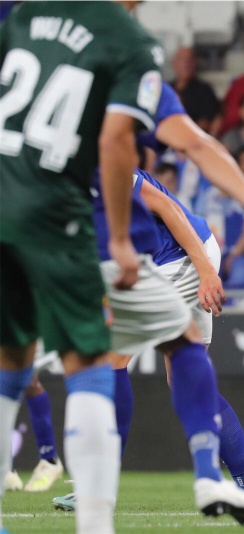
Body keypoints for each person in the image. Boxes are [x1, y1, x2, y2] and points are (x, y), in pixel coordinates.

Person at [47, 82, 244, 520]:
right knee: (183, 376)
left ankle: (98, 488)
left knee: (115, 358)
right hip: (170, 257)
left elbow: (168, 209)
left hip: (183, 255)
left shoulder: (100, 159)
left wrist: (207, 270)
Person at [0, 3, 163, 532]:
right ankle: (95, 523)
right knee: (91, 361)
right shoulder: (130, 41)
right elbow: (115, 140)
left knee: (10, 361)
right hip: (55, 215)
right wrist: (118, 237)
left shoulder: (25, 16)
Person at [170, 47, 220, 133]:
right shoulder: (166, 89)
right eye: (182, 59)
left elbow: (205, 122)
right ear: (174, 63)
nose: (186, 64)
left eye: (189, 60)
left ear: (195, 63)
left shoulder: (205, 91)